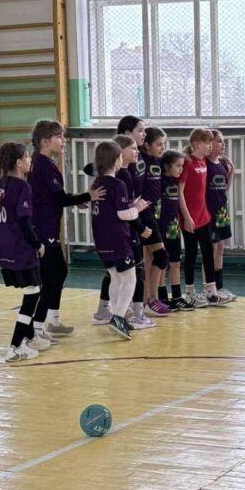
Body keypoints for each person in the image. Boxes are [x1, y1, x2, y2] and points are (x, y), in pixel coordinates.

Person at [28, 120, 104, 340]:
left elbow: (54, 196)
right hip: (43, 229)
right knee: (51, 276)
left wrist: (75, 199)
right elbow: (59, 199)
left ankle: (53, 320)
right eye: (59, 137)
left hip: (48, 226)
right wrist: (87, 196)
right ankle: (37, 327)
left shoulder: (43, 163)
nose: (64, 141)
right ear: (45, 141)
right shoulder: (44, 165)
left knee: (59, 271)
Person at [0, 142, 47, 362]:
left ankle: (29, 337)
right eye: (27, 157)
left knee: (31, 290)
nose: (30, 160)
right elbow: (23, 222)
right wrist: (37, 244)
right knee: (33, 294)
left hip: (4, 249)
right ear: (19, 163)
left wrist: (5, 231)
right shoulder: (23, 187)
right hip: (21, 249)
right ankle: (15, 346)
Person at [90, 140, 149, 340]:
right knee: (130, 279)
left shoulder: (97, 183)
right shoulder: (118, 184)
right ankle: (118, 318)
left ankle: (118, 316)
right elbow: (123, 214)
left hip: (101, 239)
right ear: (117, 161)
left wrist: (129, 207)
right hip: (118, 239)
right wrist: (137, 209)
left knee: (115, 277)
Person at [179, 129, 232, 307]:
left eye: (211, 142)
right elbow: (180, 192)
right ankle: (190, 293)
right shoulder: (188, 163)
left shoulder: (203, 161)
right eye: (207, 142)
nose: (210, 145)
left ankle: (211, 292)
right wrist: (186, 217)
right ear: (196, 144)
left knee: (209, 252)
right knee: (191, 254)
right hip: (190, 218)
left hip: (204, 217)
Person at [140, 127, 173, 317]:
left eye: (164, 144)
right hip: (144, 215)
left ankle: (145, 300)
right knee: (162, 256)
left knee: (150, 259)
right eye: (159, 144)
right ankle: (151, 299)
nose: (162, 148)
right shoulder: (140, 161)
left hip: (156, 215)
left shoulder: (159, 161)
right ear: (147, 145)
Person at [156, 150, 192, 311]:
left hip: (174, 229)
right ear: (166, 166)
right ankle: (162, 297)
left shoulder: (177, 182)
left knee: (176, 262)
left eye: (182, 166)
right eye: (178, 166)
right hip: (160, 229)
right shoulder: (159, 182)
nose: (181, 169)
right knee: (162, 264)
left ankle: (177, 297)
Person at [207, 129, 237, 301]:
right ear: (209, 144)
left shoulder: (223, 164)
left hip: (222, 213)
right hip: (209, 214)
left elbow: (224, 189)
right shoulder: (205, 164)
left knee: (220, 248)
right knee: (210, 250)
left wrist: (231, 173)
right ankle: (209, 288)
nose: (223, 144)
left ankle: (219, 286)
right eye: (219, 141)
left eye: (223, 141)